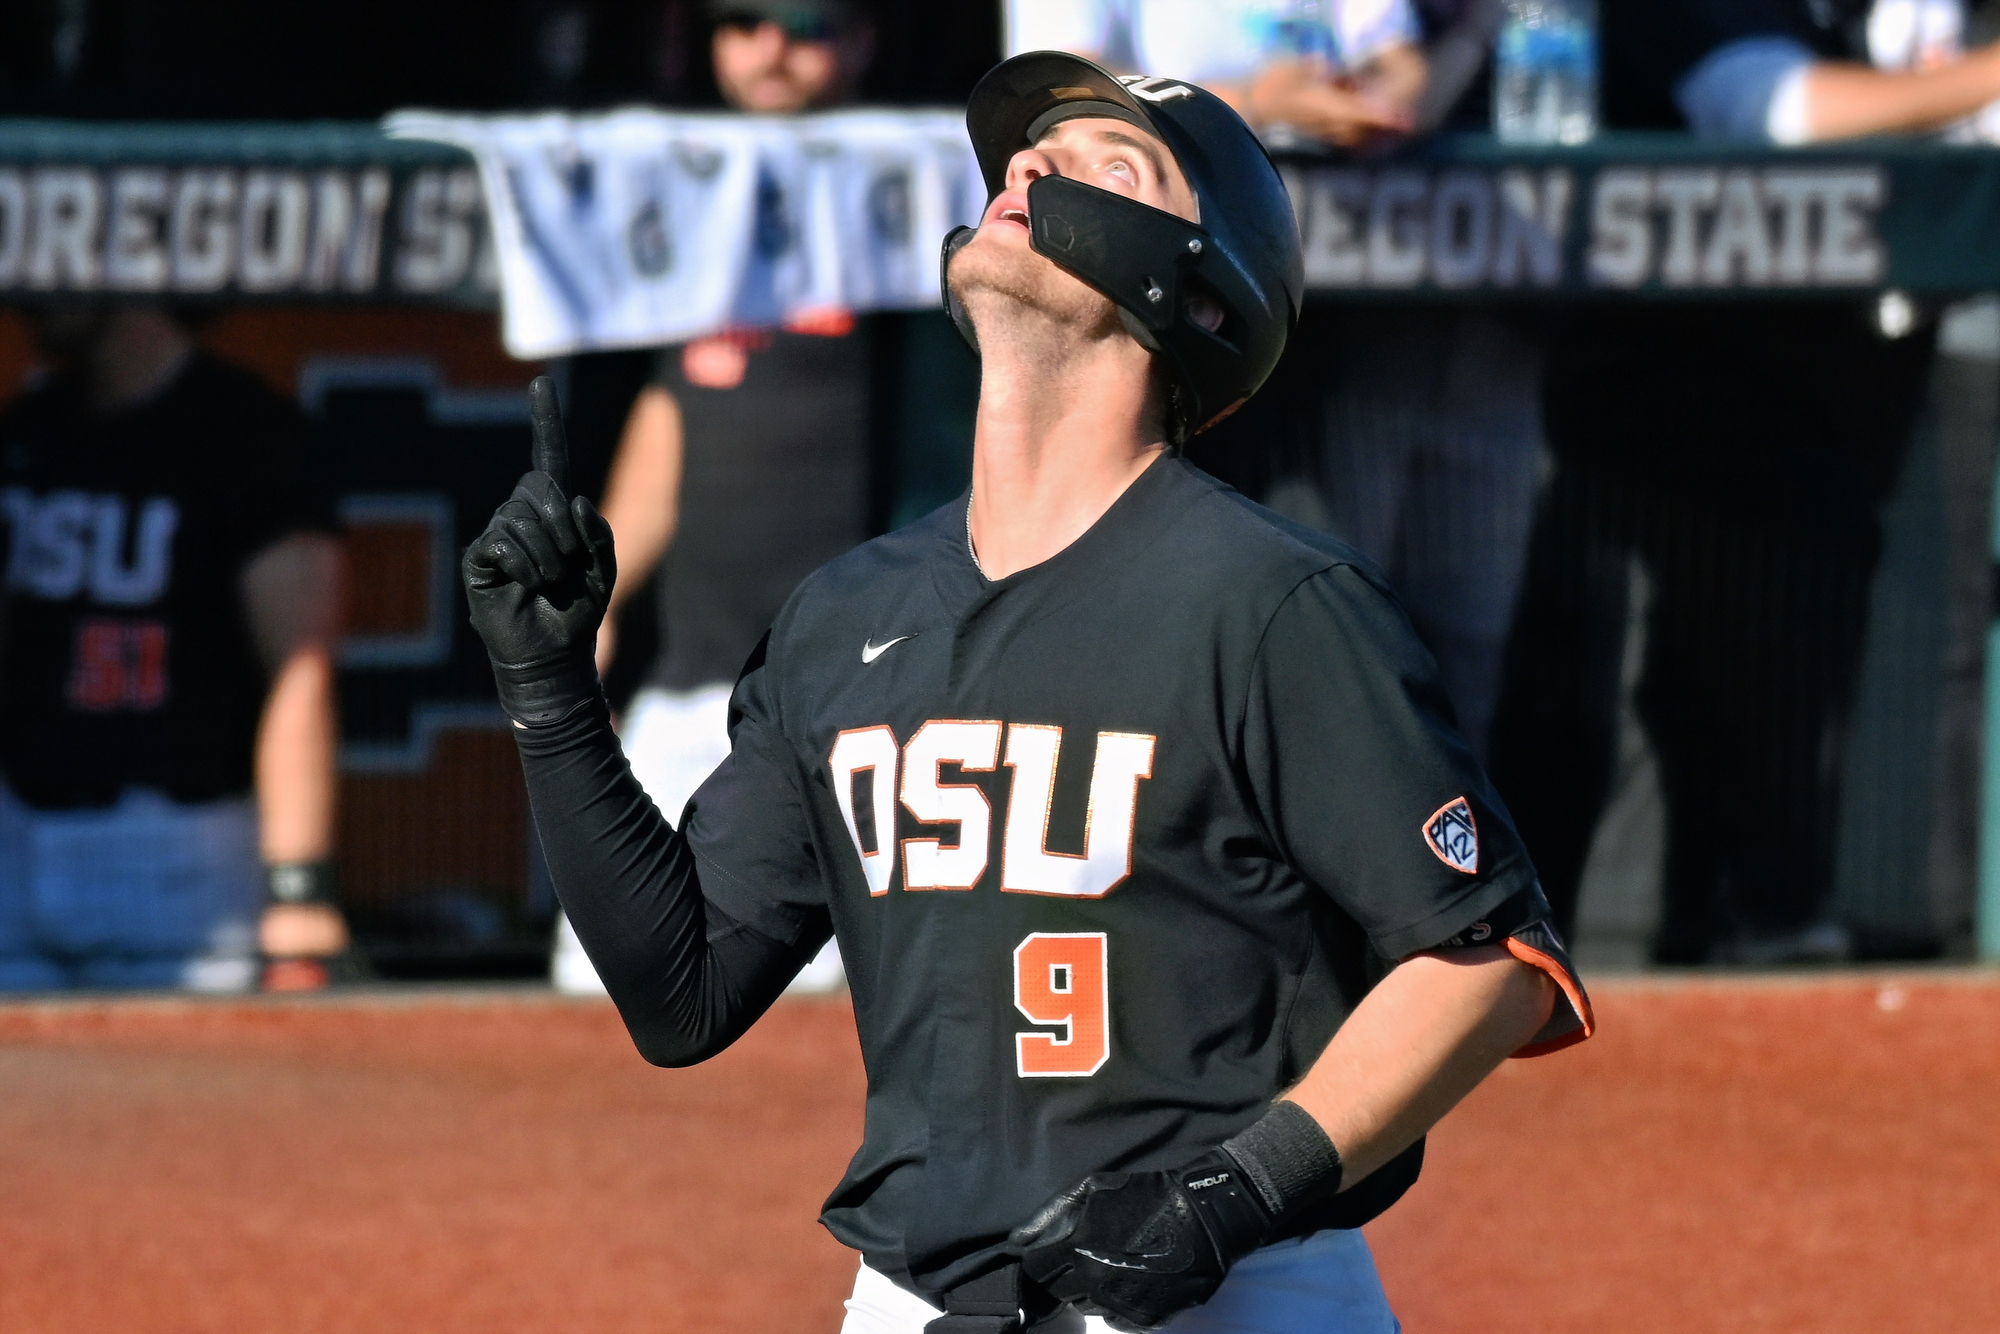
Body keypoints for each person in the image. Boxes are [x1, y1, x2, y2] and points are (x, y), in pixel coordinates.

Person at [465, 52, 1592, 1333]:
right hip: (912, 1296)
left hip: (1236, 1290)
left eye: (1110, 163)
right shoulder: (846, 616)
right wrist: (548, 687)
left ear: (1200, 297)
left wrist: (1232, 1191)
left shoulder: (1268, 601)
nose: (1028, 169)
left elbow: (1486, 960)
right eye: (1018, 158)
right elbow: (680, 992)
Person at [1490, 0, 2000, 962]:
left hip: (1825, 382)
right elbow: (1773, 108)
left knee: (1798, 606)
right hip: (1642, 384)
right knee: (1609, 681)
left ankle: (1751, 910)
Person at [1009, 0, 1546, 762]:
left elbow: (1399, 87)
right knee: (1230, 661)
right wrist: (1254, 102)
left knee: (1398, 654)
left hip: (1337, 323)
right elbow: (1055, 119)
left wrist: (1470, 31)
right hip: (1154, 328)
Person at [551, 0, 877, 995]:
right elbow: (673, 412)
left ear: (862, 38)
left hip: (851, 695)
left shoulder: (915, 200)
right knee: (598, 990)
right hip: (693, 683)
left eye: (805, 21)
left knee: (823, 1020)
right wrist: (599, 599)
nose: (770, 48)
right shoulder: (687, 196)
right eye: (741, 20)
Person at [0, 300, 351, 991]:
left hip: (170, 852)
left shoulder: (246, 435)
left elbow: (301, 673)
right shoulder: (31, 427)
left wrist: (299, 889)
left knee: (175, 1090)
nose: (29, 288)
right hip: (17, 829)